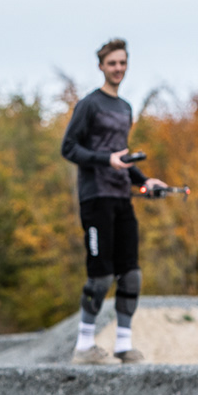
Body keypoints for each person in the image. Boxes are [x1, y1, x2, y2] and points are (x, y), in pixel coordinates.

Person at [60, 38, 169, 364]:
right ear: (101, 67)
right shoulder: (89, 105)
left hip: (122, 196)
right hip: (96, 197)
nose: (118, 68)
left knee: (131, 274)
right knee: (101, 276)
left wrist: (145, 181)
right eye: (112, 63)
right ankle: (84, 346)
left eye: (122, 63)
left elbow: (122, 157)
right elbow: (69, 148)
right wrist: (105, 160)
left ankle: (124, 344)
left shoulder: (124, 108)